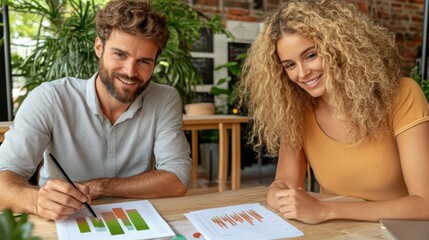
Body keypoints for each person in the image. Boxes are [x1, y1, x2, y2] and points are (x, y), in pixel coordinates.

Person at [238, 0, 429, 224]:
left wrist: (326, 210)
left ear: (340, 48)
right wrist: (279, 194)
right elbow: (284, 185)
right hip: (332, 233)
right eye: (289, 65)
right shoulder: (297, 113)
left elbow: (424, 204)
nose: (302, 73)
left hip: (396, 232)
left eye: (311, 55)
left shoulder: (402, 94)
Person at [0, 0, 192, 220]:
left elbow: (177, 180)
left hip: (136, 221)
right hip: (63, 222)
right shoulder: (50, 98)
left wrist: (98, 187)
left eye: (144, 61)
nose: (130, 71)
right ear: (99, 48)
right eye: (120, 54)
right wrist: (37, 200)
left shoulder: (164, 99)